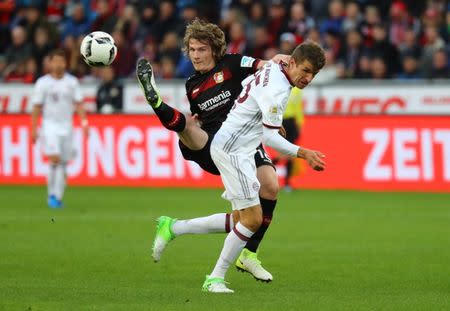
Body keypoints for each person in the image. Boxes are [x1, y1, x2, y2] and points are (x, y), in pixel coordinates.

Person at [136, 18, 290, 282]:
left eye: (202, 50)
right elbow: (200, 117)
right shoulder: (192, 85)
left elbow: (263, 68)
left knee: (264, 194)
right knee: (187, 126)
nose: (196, 55)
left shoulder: (232, 63)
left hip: (246, 140)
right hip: (212, 145)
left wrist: (277, 60)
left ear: (215, 50)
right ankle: (156, 101)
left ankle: (179, 229)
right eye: (192, 50)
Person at [204, 41, 326, 293]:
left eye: (313, 74)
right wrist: (304, 153)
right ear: (292, 63)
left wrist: (268, 119)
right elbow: (269, 139)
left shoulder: (277, 66)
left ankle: (174, 228)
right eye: (304, 70)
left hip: (240, 147)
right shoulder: (278, 89)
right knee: (252, 219)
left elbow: (253, 83)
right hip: (233, 149)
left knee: (244, 216)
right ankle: (215, 278)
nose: (308, 78)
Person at [31, 49, 89, 208]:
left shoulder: (72, 82)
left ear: (66, 63)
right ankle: (51, 196)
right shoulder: (43, 83)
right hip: (49, 126)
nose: (58, 64)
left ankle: (57, 197)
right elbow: (36, 107)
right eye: (55, 61)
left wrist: (84, 124)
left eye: (61, 61)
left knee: (63, 163)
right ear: (50, 63)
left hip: (67, 127)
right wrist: (33, 128)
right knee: (54, 159)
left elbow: (79, 104)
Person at [273, 87, 304, 191]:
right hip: (280, 122)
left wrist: (299, 124)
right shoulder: (279, 86)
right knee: (284, 153)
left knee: (291, 153)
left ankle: (286, 183)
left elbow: (298, 108)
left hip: (291, 122)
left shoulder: (297, 90)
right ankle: (266, 172)